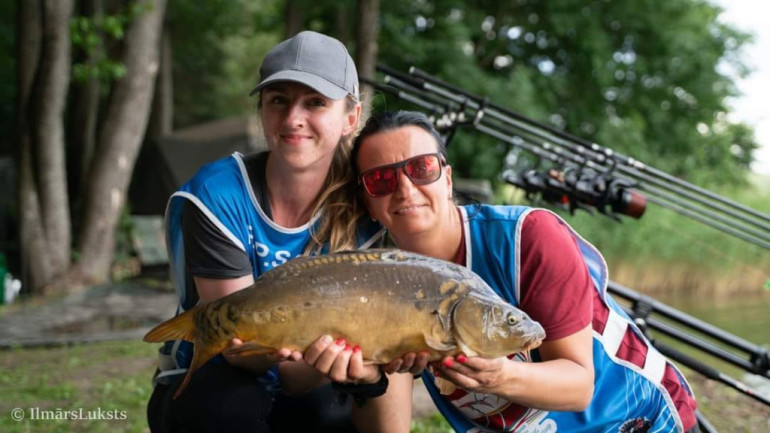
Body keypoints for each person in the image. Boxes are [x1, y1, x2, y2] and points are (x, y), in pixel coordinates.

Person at [349, 110, 700, 432]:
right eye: (381, 180)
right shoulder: (381, 281)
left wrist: (498, 375)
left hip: (636, 417)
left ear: (448, 178)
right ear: (369, 202)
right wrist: (369, 377)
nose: (406, 189)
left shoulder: (528, 236)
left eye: (421, 168)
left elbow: (579, 386)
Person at [147, 32, 413, 433]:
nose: (293, 119)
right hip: (217, 378)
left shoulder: (369, 205)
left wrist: (353, 363)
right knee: (224, 412)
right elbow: (239, 351)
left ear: (351, 118)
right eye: (278, 100)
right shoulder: (217, 194)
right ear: (261, 109)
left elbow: (300, 377)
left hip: (317, 377)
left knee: (337, 411)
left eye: (316, 103)